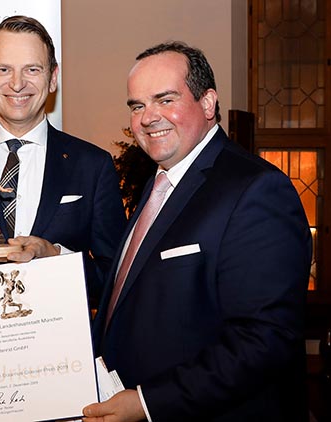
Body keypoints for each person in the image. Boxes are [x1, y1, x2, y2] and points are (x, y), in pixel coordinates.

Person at [83, 41, 311, 422]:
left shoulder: (255, 189)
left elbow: (263, 339)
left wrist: (147, 402)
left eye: (165, 99)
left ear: (208, 103)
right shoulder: (158, 184)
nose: (148, 117)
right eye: (137, 105)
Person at [0, 15, 126, 305]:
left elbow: (115, 280)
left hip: (61, 344)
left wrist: (56, 257)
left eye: (32, 69)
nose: (17, 84)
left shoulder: (93, 166)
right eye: (4, 69)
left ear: (52, 78)